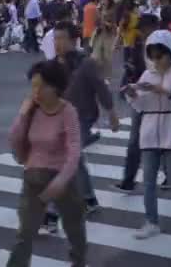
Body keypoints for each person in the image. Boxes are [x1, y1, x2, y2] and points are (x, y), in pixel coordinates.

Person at [7, 60, 87, 267]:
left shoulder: (67, 111)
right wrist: (23, 113)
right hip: (33, 177)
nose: (36, 91)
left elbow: (74, 149)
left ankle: (78, 262)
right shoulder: (33, 110)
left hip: (62, 180)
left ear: (55, 87)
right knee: (25, 233)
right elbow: (14, 140)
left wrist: (62, 179)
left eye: (40, 86)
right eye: (33, 85)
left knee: (74, 229)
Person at [123, 30, 171, 239]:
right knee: (148, 180)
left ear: (170, 53)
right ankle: (151, 221)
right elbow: (140, 105)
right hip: (149, 130)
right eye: (152, 56)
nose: (156, 61)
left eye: (160, 55)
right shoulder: (147, 74)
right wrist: (132, 95)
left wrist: (163, 90)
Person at [45, 21, 120, 231]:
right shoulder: (53, 65)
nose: (58, 43)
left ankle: (51, 213)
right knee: (75, 161)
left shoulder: (85, 63)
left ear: (73, 40)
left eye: (62, 38)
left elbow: (101, 89)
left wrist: (112, 113)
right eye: (55, 38)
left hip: (82, 118)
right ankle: (89, 200)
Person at [112, 14, 161, 193]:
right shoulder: (139, 46)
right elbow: (133, 69)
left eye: (145, 30)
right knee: (135, 142)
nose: (143, 34)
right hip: (141, 99)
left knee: (158, 141)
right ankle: (129, 180)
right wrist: (130, 84)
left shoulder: (164, 46)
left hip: (161, 100)